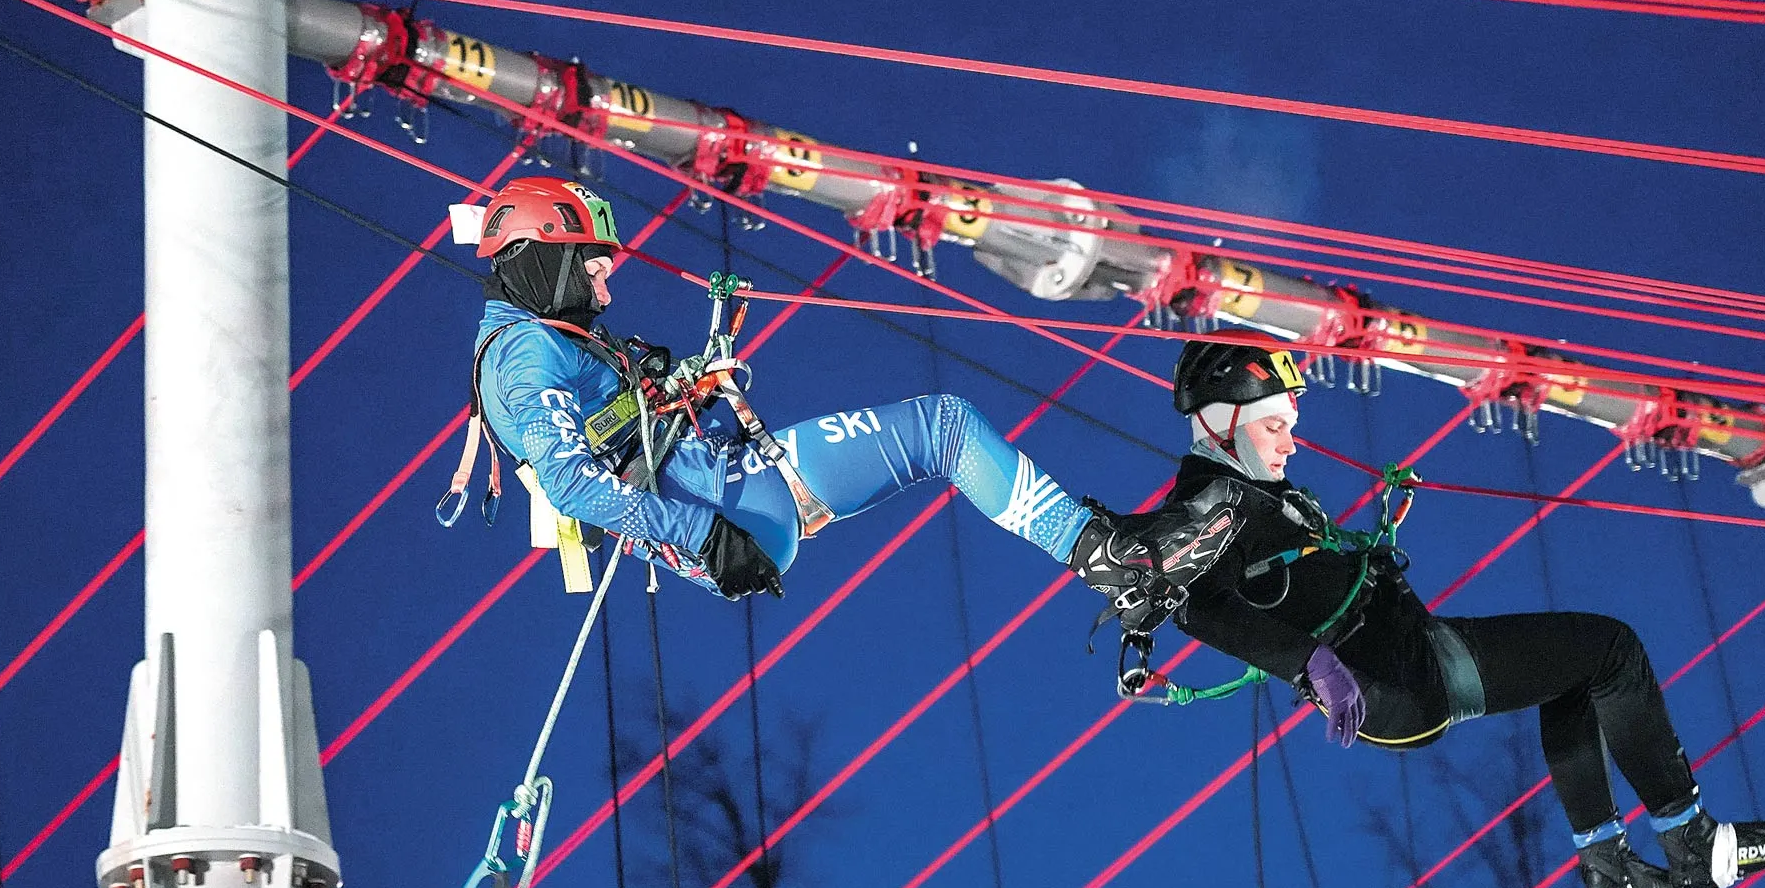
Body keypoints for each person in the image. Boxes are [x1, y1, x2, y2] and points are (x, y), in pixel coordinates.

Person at [1128, 328, 1765, 888]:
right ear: (1221, 423)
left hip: (1411, 655)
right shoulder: (1210, 506)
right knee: (1612, 650)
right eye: (1274, 426)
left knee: (1577, 676)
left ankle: (1611, 874)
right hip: (1398, 678)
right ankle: (1692, 844)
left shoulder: (1253, 496)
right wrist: (1310, 663)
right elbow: (1199, 605)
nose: (1289, 443)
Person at [453, 176, 1242, 611]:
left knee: (943, 430)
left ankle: (1112, 553)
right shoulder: (525, 353)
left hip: (732, 496)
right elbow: (570, 480)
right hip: (727, 507)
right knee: (943, 428)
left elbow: (605, 432)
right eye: (592, 269)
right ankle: (1108, 557)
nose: (604, 290)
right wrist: (705, 534)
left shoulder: (534, 344)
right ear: (543, 254)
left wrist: (672, 383)